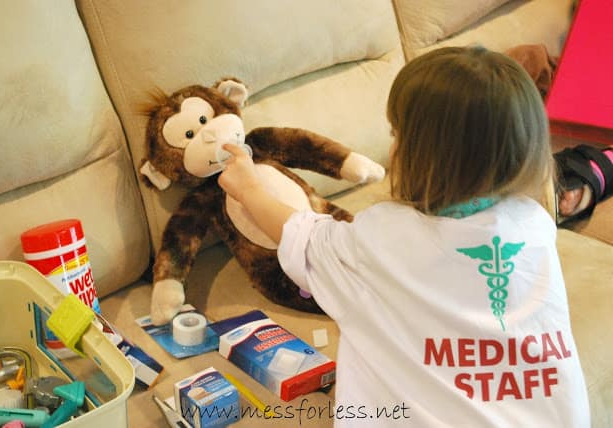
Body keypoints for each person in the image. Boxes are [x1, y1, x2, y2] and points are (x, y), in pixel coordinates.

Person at [218, 46, 590, 426]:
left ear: (424, 156)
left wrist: (249, 189)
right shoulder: (535, 223)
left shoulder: (381, 237)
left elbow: (304, 236)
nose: (391, 146)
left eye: (396, 133)